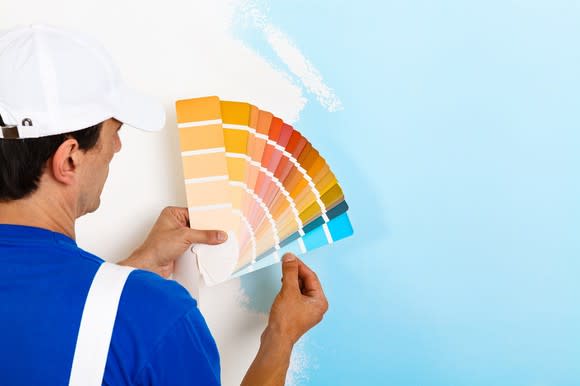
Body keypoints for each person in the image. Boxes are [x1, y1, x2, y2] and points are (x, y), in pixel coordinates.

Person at [0, 24, 328, 385]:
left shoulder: (134, 312)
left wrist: (124, 277)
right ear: (69, 160)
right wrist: (280, 337)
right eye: (115, 133)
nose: (117, 148)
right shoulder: (154, 317)